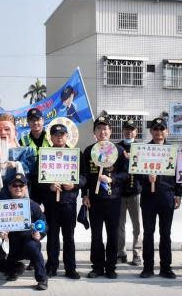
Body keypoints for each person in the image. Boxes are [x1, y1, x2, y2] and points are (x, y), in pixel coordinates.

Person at [0, 174, 49, 290]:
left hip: (28, 243)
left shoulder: (33, 205)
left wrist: (39, 234)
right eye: (15, 185)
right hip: (10, 245)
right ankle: (15, 268)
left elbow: (44, 224)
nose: (18, 188)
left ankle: (42, 278)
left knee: (33, 247)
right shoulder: (1, 207)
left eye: (21, 185)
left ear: (26, 188)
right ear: (9, 188)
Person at [81, 116, 128, 279]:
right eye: (99, 129)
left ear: (110, 131)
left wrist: (112, 179)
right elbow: (84, 175)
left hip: (113, 199)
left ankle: (111, 267)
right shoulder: (89, 151)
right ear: (94, 132)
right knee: (96, 235)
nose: (103, 131)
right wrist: (84, 195)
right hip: (94, 200)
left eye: (105, 128)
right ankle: (97, 266)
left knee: (112, 234)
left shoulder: (119, 151)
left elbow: (126, 173)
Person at [139, 118, 182, 279]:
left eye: (162, 129)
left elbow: (179, 174)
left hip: (167, 196)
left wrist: (178, 194)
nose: (158, 132)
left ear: (167, 132)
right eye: (156, 129)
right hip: (148, 198)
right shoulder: (144, 149)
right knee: (148, 233)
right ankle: (147, 267)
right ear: (151, 132)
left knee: (166, 234)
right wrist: (146, 178)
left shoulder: (172, 150)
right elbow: (136, 173)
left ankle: (166, 267)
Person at [40, 123, 83, 279]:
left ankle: (70, 268)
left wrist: (74, 184)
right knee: (52, 236)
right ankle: (51, 266)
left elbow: (83, 178)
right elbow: (37, 181)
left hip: (69, 203)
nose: (59, 137)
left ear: (67, 136)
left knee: (69, 237)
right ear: (50, 137)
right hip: (51, 203)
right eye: (56, 134)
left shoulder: (76, 155)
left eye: (62, 134)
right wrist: (49, 186)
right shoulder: (44, 155)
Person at [0, 113, 35, 201]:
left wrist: (17, 165)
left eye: (7, 129)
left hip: (20, 202)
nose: (3, 132)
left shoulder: (27, 151)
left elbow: (32, 172)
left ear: (15, 132)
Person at [117, 120, 143, 266]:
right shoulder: (117, 147)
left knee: (137, 225)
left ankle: (137, 253)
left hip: (136, 192)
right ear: (123, 131)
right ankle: (121, 253)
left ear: (136, 132)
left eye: (132, 129)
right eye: (127, 129)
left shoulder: (142, 148)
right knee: (119, 224)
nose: (129, 132)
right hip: (120, 192)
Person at [19, 107, 51, 204]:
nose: (35, 123)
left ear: (43, 120)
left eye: (38, 119)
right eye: (32, 120)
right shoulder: (23, 141)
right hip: (31, 183)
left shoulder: (51, 137)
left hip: (49, 182)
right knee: (33, 212)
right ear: (28, 122)